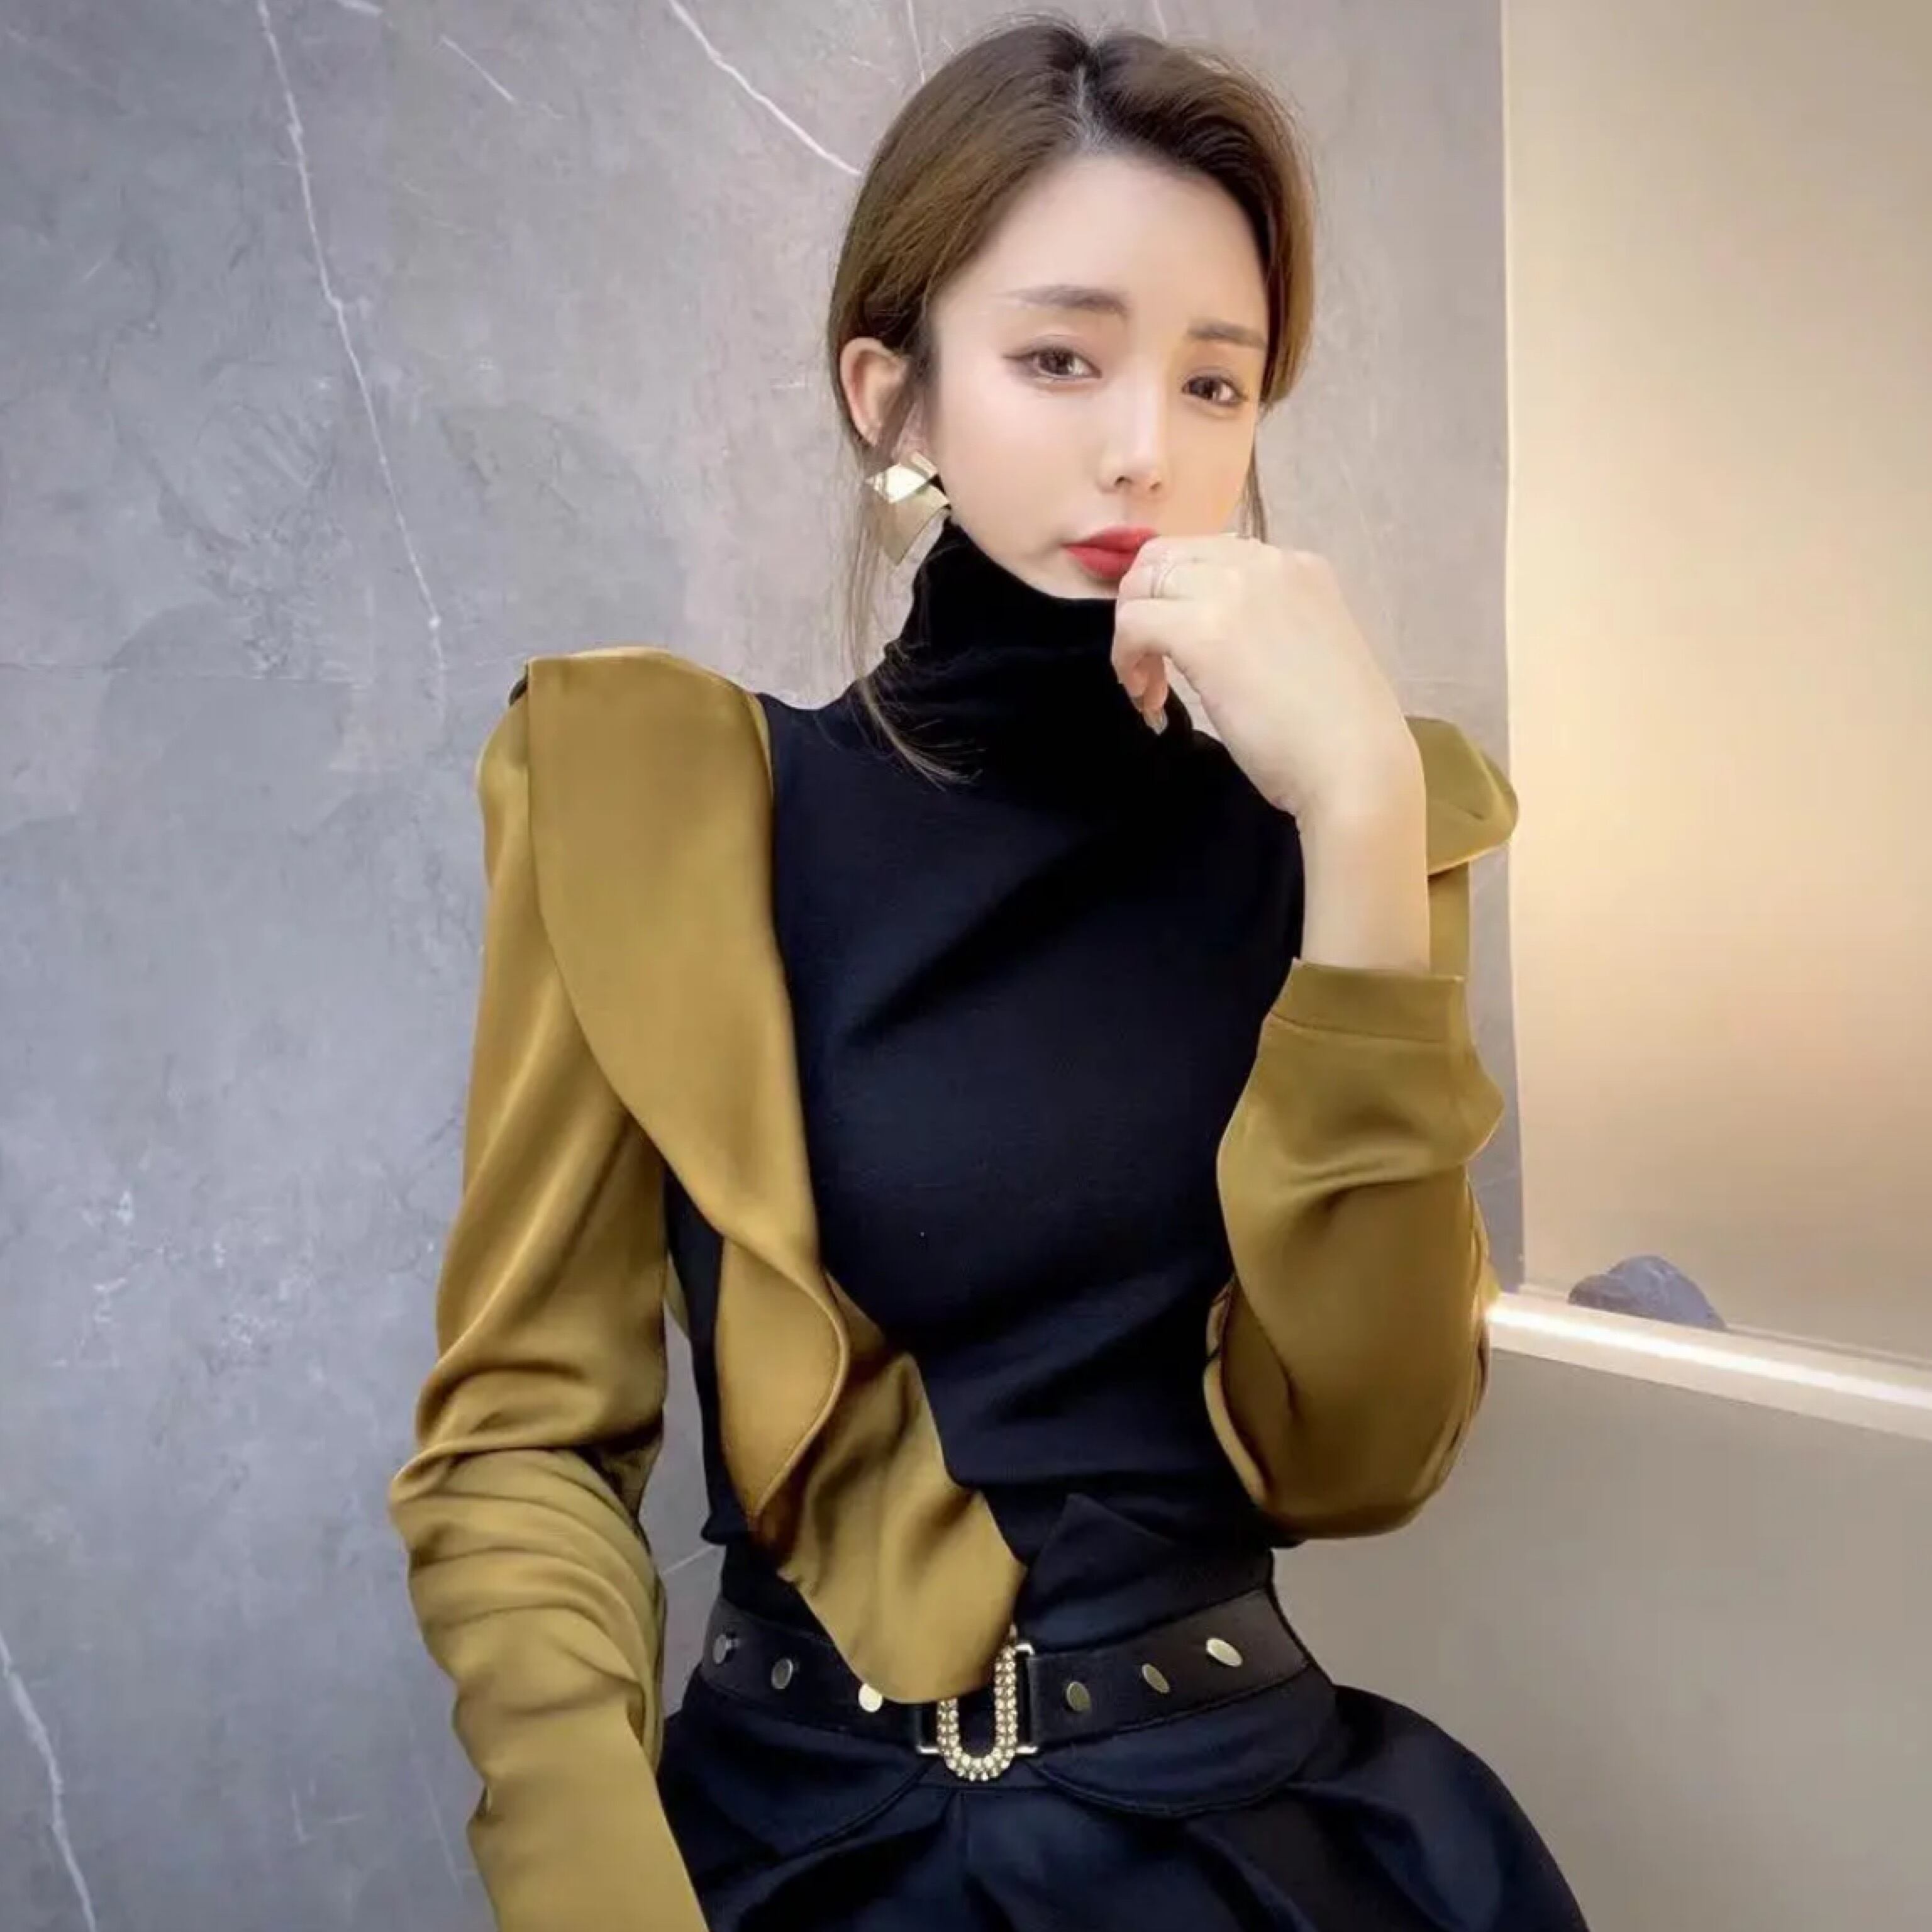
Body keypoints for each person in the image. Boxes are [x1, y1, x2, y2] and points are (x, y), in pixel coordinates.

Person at [388, 18, 1589, 1931]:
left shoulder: (1348, 827)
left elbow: (1360, 1460)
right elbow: (522, 1445)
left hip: (1242, 1837)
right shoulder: (663, 809)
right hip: (805, 1843)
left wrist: (1361, 820)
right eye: (1060, 358)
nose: (1149, 448)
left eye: (1217, 380)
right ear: (896, 398)